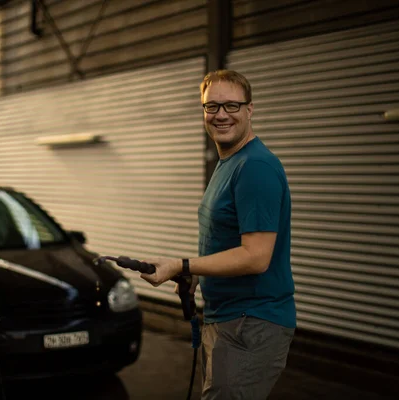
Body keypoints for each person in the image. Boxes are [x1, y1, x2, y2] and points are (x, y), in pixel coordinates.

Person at [140, 69, 296, 400]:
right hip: (227, 319)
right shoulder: (229, 162)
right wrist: (195, 272)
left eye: (231, 106)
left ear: (250, 110)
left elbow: (256, 256)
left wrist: (183, 265)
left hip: (250, 324)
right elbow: (227, 240)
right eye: (211, 107)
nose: (220, 115)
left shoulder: (255, 167)